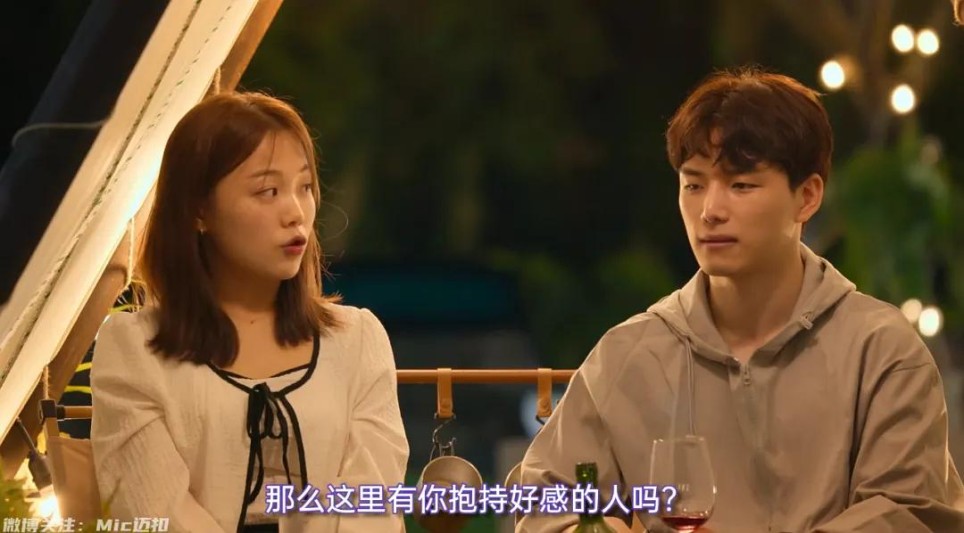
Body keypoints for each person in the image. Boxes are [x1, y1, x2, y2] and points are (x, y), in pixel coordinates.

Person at [517, 67, 964, 532]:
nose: (710, 211)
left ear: (807, 197)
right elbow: (545, 506)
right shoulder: (628, 357)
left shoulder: (881, 351)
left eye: (741, 185)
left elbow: (908, 513)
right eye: (693, 185)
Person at [90, 92, 409, 533]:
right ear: (199, 210)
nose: (295, 213)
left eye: (304, 187)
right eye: (267, 191)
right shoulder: (134, 348)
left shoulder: (357, 341)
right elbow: (155, 509)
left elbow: (372, 508)